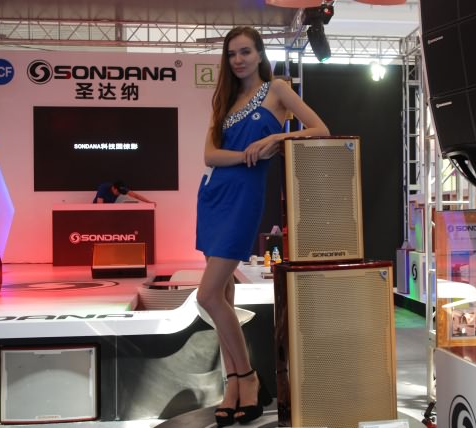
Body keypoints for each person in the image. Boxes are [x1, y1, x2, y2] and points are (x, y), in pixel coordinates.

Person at [195, 26, 329, 427]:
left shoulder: (278, 89)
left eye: (245, 52)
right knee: (222, 296)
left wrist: (276, 141)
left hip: (244, 199)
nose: (238, 60)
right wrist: (246, 154)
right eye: (231, 54)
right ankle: (233, 386)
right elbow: (210, 156)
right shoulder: (224, 99)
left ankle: (248, 377)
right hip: (213, 196)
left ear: (259, 54)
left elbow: (320, 130)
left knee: (207, 295)